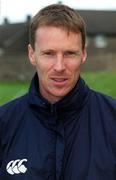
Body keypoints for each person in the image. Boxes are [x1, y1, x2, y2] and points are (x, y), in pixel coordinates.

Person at [0, 4, 116, 180]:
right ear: (32, 55)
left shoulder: (112, 119)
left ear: (83, 54)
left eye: (69, 53)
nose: (60, 66)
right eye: (49, 53)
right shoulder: (4, 123)